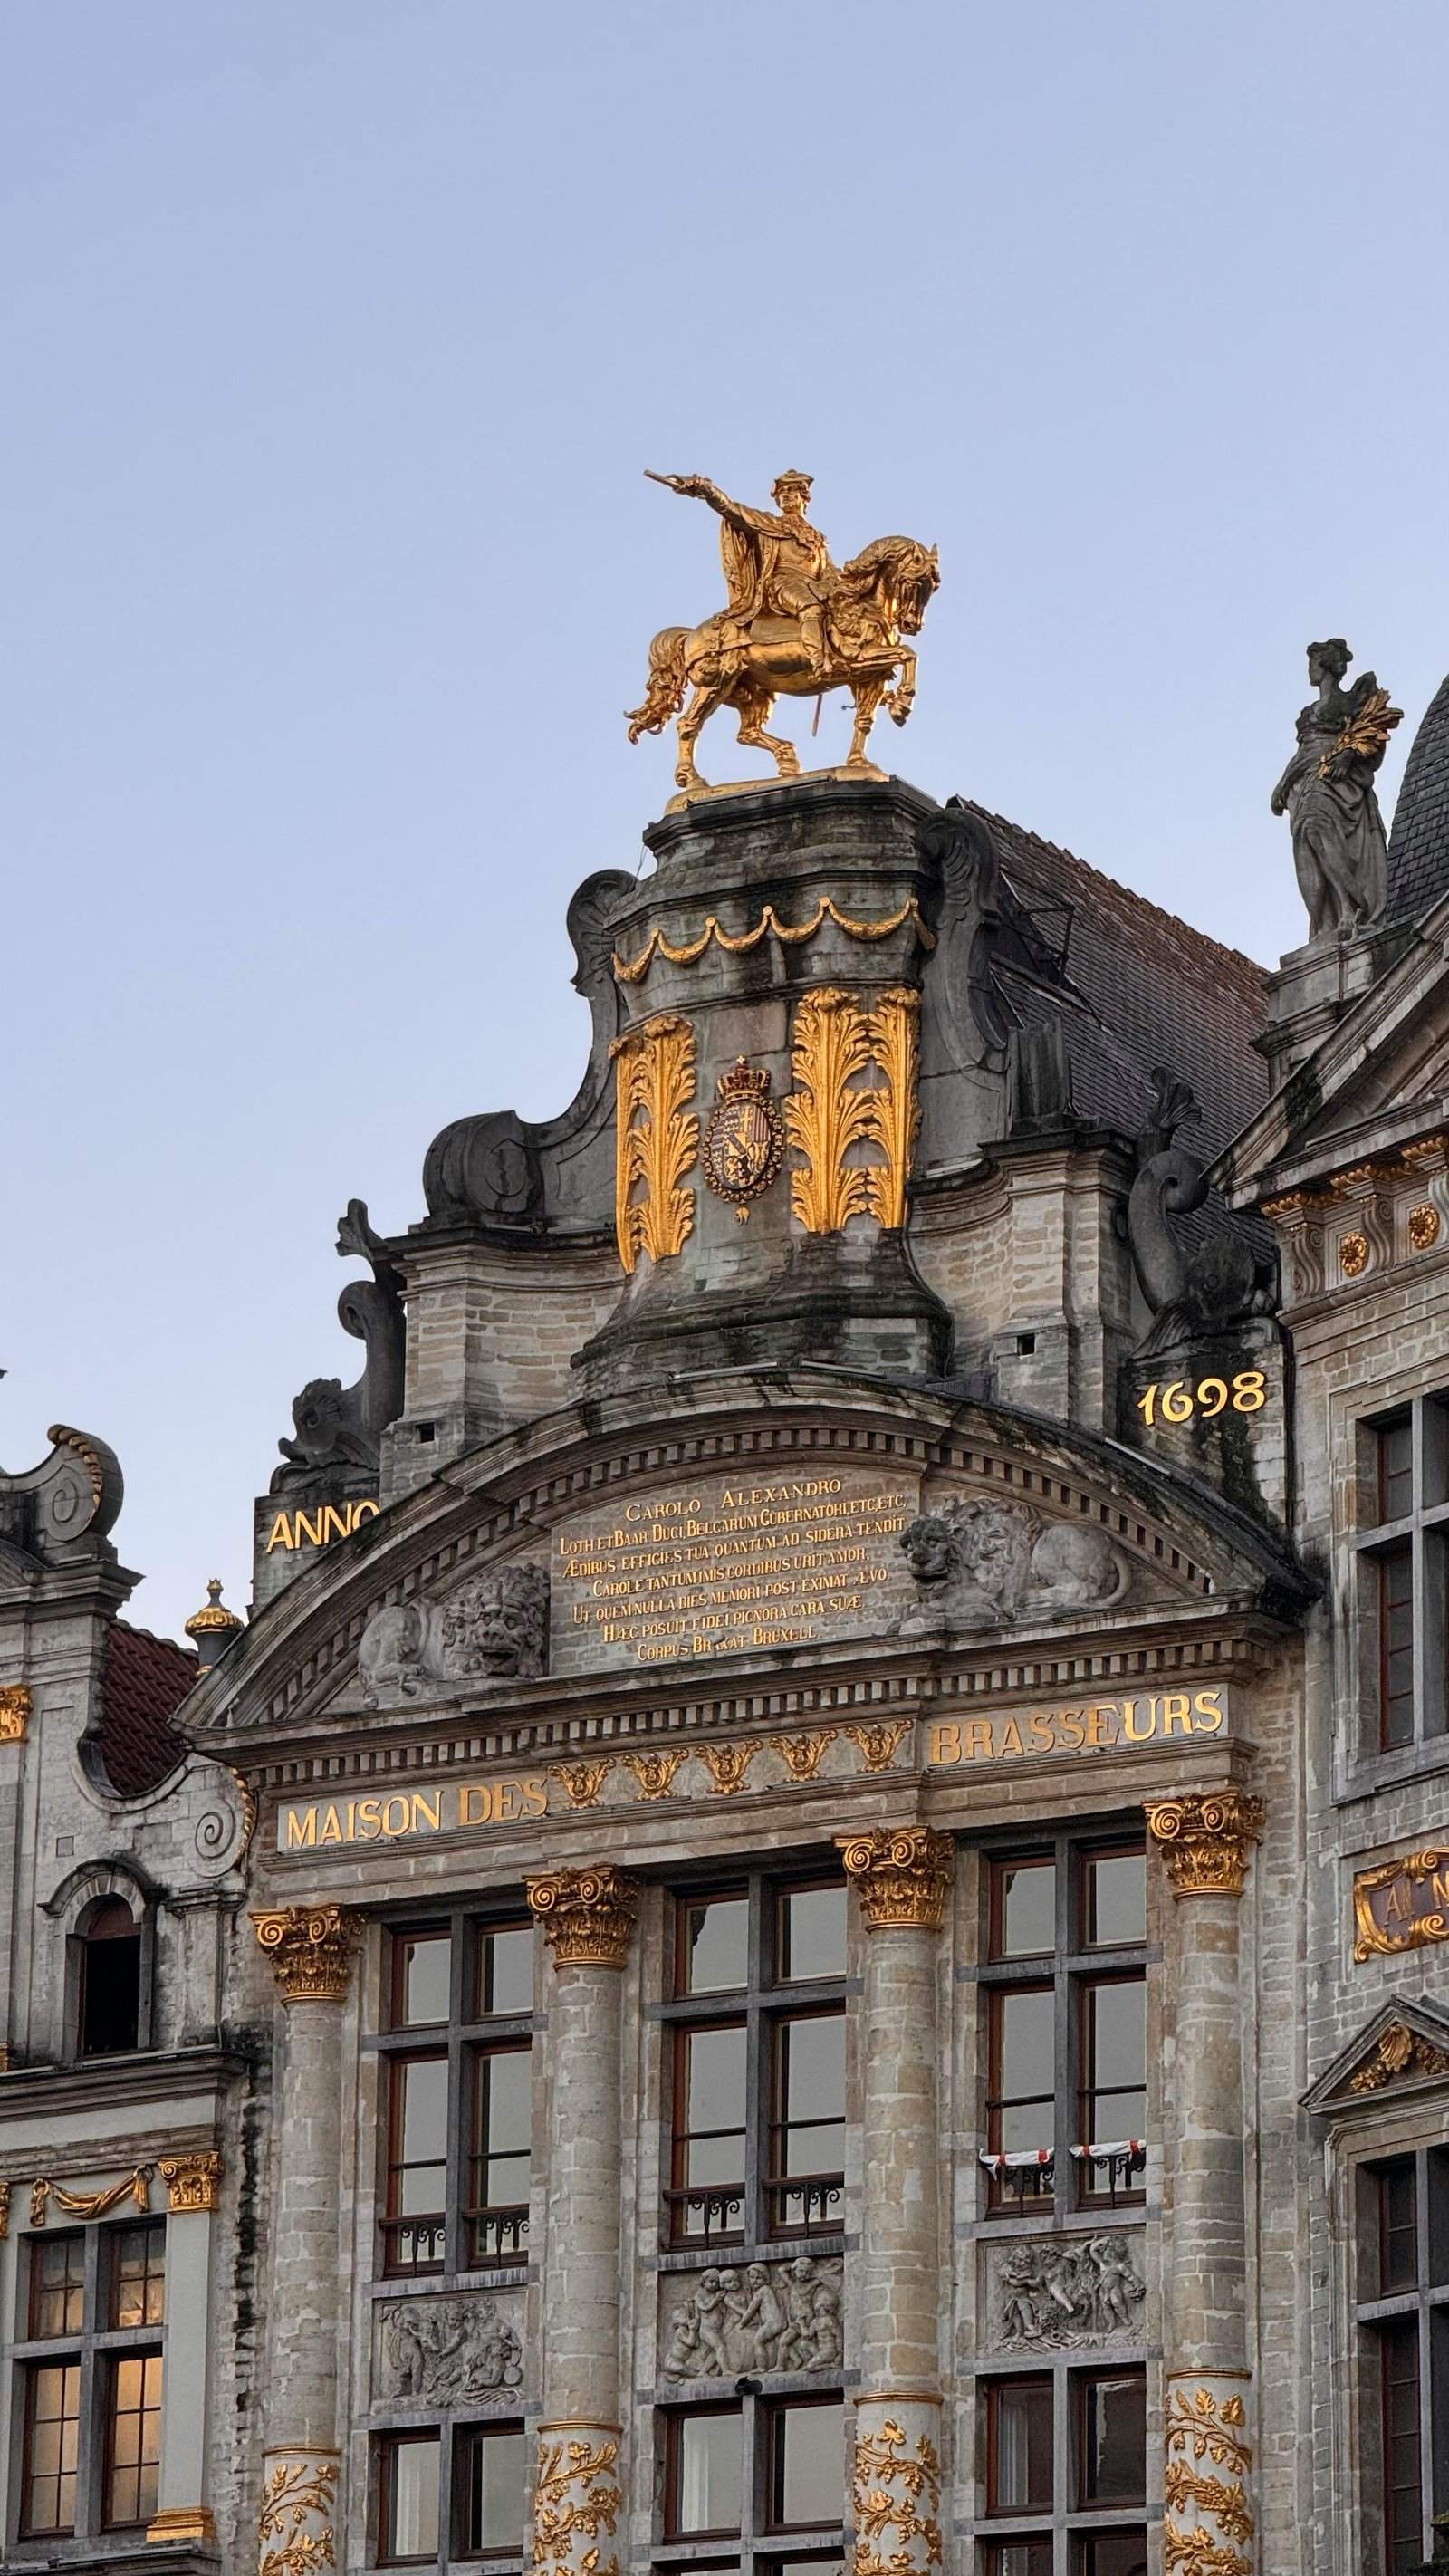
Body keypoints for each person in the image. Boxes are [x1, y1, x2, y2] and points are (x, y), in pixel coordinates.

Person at [653, 469, 840, 679]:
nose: (785, 495)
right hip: (781, 584)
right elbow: (731, 509)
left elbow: (829, 570)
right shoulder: (769, 523)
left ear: (804, 498)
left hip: (812, 588)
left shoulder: (816, 538)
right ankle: (819, 661)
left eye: (792, 490)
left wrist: (836, 583)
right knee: (811, 608)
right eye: (781, 492)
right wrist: (704, 488)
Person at [1271, 639, 1396, 940]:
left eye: (1313, 664)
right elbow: (1304, 752)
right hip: (1303, 783)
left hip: (1334, 783)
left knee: (1317, 831)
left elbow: (1374, 735)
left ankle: (1350, 905)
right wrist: (1284, 783)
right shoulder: (1307, 712)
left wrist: (1349, 755)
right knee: (1306, 846)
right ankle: (1323, 921)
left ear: (1324, 665)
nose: (1310, 671)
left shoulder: (1350, 701)